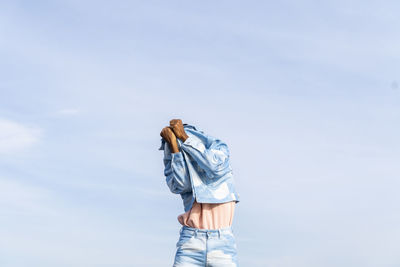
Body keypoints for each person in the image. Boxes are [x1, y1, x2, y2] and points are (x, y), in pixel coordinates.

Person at [160, 119, 240, 267]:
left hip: (223, 243)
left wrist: (184, 137)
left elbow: (213, 166)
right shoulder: (189, 174)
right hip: (190, 241)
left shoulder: (219, 150)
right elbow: (180, 185)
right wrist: (174, 148)